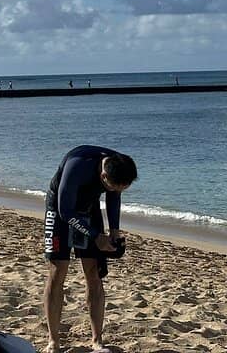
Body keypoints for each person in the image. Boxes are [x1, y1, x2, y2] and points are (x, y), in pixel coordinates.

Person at [43, 146, 138, 353]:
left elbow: (114, 195)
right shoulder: (77, 166)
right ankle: (53, 341)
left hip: (88, 208)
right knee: (58, 271)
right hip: (60, 209)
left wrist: (114, 231)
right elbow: (65, 211)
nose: (116, 191)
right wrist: (95, 236)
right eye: (113, 186)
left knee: (94, 273)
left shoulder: (117, 166)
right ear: (103, 176)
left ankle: (97, 340)